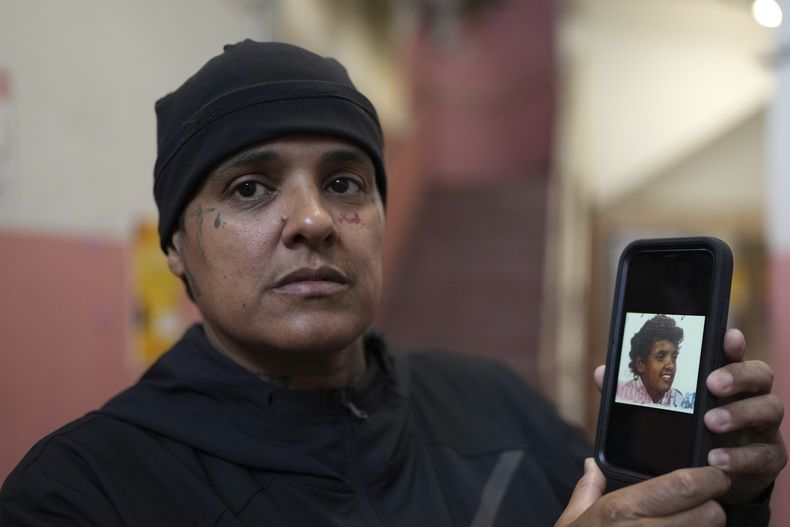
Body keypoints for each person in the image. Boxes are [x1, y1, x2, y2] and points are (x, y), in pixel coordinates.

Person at [0, 40, 785, 527]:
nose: (312, 219)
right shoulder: (82, 494)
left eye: (345, 183)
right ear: (176, 245)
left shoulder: (498, 406)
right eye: (249, 188)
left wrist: (728, 496)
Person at [616, 314, 686, 408]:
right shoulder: (621, 395)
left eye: (674, 357)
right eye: (661, 356)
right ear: (641, 364)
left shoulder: (678, 400)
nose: (671, 365)